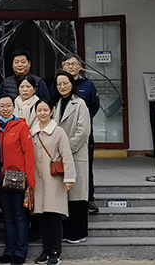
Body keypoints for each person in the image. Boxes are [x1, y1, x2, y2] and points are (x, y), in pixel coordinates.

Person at [31, 99, 76, 265]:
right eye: (39, 110)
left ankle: (56, 252)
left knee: (54, 216)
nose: (42, 113)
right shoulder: (32, 131)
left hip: (54, 180)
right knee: (42, 217)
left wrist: (69, 178)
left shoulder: (58, 132)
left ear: (51, 111)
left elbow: (67, 157)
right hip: (38, 181)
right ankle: (46, 250)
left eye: (45, 110)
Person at [0, 95, 35, 265]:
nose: (5, 109)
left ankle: (20, 251)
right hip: (1, 179)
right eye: (2, 106)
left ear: (13, 107)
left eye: (8, 105)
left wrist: (30, 181)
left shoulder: (21, 126)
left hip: (18, 179)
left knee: (19, 216)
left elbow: (29, 154)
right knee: (8, 216)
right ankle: (9, 250)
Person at [60, 53, 100, 214]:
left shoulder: (88, 85)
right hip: (63, 134)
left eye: (74, 64)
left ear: (80, 67)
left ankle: (89, 199)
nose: (70, 66)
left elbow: (94, 106)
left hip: (83, 134)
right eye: (67, 64)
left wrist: (83, 122)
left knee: (85, 168)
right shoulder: (58, 84)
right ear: (62, 67)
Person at [54, 70, 91, 244]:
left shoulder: (80, 103)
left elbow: (83, 131)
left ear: (72, 84)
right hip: (61, 156)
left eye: (65, 83)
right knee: (66, 196)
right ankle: (67, 231)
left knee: (78, 196)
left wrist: (66, 149)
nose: (62, 86)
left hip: (76, 154)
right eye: (59, 84)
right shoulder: (57, 104)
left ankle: (79, 232)